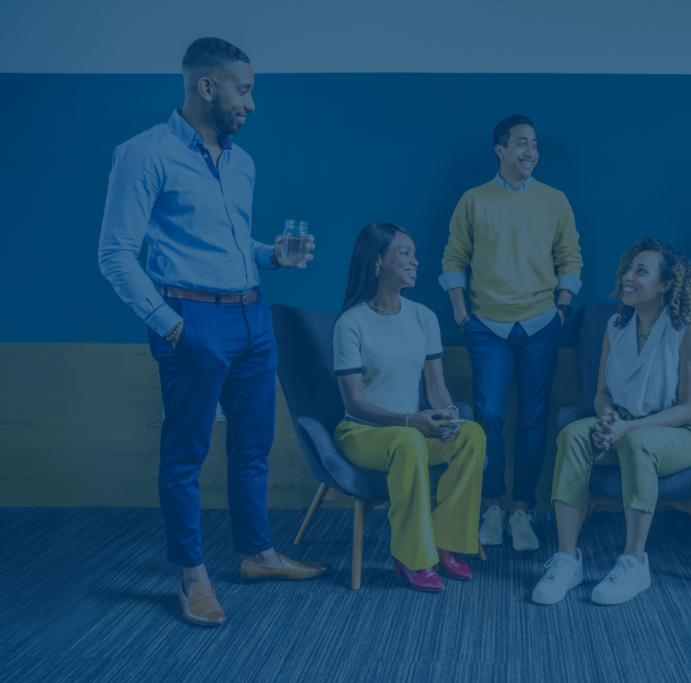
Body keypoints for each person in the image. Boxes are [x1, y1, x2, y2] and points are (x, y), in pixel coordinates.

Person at [97, 38, 329, 627]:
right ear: (207, 86)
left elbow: (231, 245)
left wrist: (270, 255)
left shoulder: (242, 161)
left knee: (252, 447)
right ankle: (192, 575)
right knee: (186, 456)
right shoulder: (143, 154)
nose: (251, 102)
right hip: (192, 319)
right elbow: (116, 254)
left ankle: (258, 554)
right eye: (243, 89)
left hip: (254, 315)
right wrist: (172, 327)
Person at [532, 239, 691, 605]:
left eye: (640, 271)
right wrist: (607, 419)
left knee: (637, 443)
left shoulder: (689, 330)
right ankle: (568, 558)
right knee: (573, 435)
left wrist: (626, 429)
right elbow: (602, 393)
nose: (627, 276)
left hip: (681, 430)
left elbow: (686, 407)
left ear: (666, 284)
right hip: (624, 423)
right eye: (628, 268)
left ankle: (635, 562)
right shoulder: (616, 325)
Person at [440, 114, 583, 552]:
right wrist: (463, 315)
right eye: (521, 143)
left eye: (535, 144)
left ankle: (522, 510)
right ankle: (493, 505)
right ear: (500, 150)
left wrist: (561, 310)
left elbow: (571, 258)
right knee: (487, 415)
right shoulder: (473, 200)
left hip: (542, 325)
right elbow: (453, 257)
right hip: (486, 327)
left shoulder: (555, 200)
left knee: (535, 421)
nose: (531, 151)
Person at [334, 222, 487, 592]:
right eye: (404, 252)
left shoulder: (423, 317)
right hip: (362, 433)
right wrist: (410, 421)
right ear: (377, 261)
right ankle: (411, 556)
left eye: (414, 253)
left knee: (471, 434)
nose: (415, 261)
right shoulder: (350, 322)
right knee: (408, 441)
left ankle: (445, 542)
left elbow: (435, 387)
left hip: (412, 429)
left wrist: (448, 414)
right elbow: (353, 401)